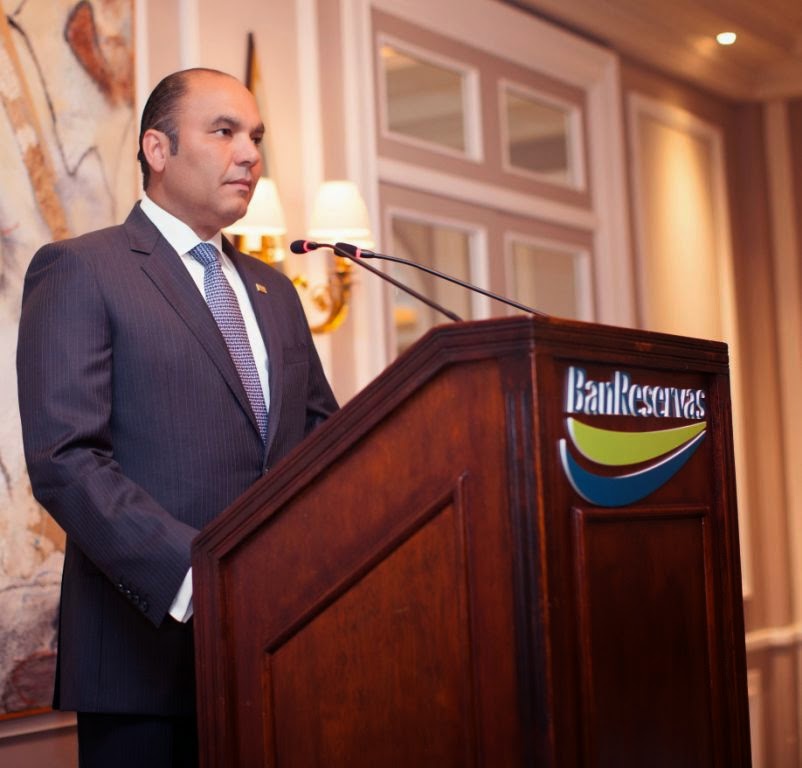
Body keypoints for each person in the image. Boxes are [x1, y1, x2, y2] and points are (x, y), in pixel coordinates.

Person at [16, 68, 338, 767]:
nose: (249, 154)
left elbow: (324, 444)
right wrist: (203, 578)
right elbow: (66, 460)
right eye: (224, 132)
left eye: (255, 137)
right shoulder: (81, 269)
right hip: (145, 660)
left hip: (279, 648)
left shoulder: (277, 291)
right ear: (157, 150)